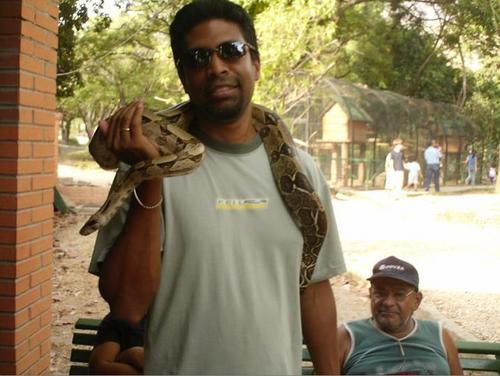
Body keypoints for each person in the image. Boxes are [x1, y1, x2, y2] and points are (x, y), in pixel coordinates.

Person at [87, 0, 346, 374]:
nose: (216, 67)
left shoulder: (302, 171)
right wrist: (150, 172)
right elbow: (127, 306)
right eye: (197, 59)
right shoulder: (141, 165)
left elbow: (315, 288)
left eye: (231, 51)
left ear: (254, 62)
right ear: (183, 77)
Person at [338, 256, 463, 375]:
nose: (388, 302)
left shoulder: (439, 335)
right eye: (380, 293)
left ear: (417, 300)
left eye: (399, 294)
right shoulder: (346, 337)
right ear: (371, 294)